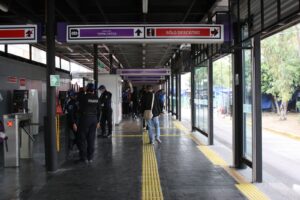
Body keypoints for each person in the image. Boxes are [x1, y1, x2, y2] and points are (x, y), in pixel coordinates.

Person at [78, 83, 100, 163]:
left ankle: (84, 158)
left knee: (82, 138)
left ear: (87, 89)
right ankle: (90, 157)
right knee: (91, 138)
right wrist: (98, 121)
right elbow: (99, 110)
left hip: (85, 118)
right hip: (94, 119)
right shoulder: (96, 98)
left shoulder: (83, 97)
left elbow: (79, 108)